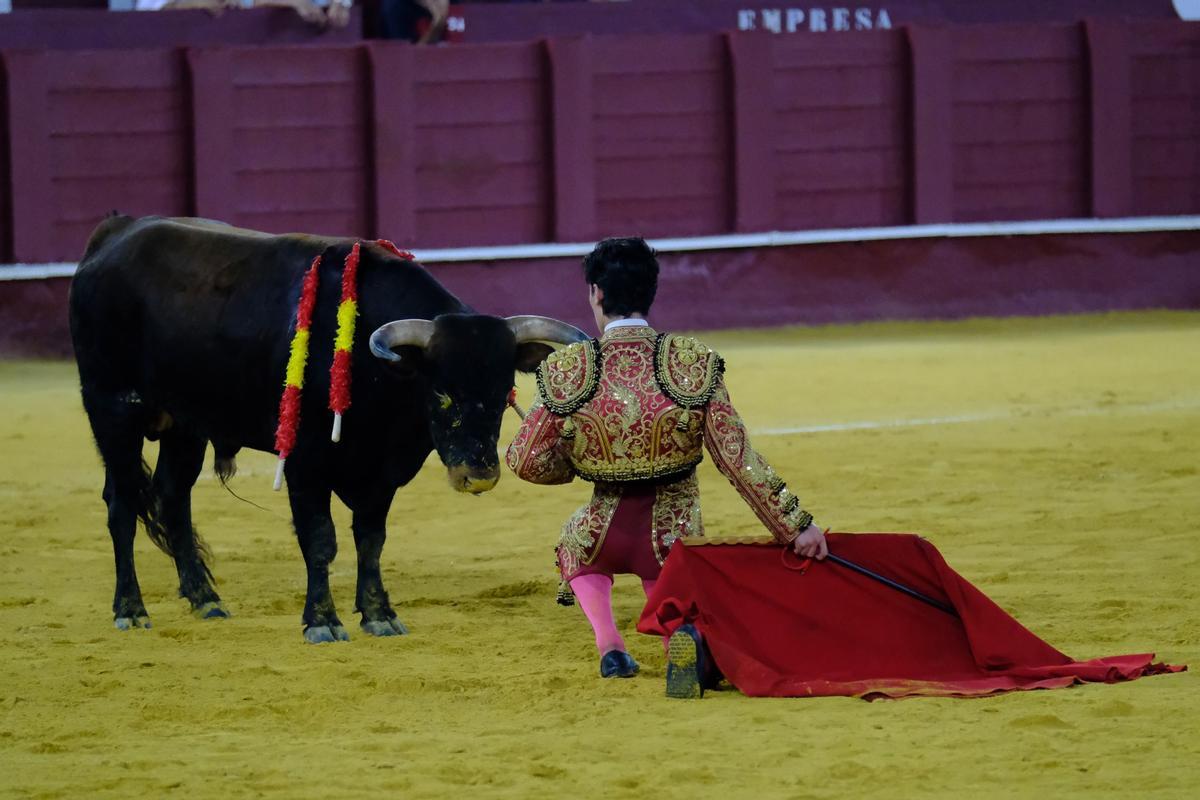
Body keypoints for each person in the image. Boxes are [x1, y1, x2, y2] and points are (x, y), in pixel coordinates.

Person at [505, 237, 828, 686]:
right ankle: (678, 636)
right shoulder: (692, 364)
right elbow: (737, 460)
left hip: (603, 534)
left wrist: (577, 457)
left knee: (574, 544)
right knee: (675, 584)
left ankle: (610, 646)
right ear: (651, 291)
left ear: (596, 292)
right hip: (671, 541)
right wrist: (794, 526)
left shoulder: (569, 369)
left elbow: (523, 459)